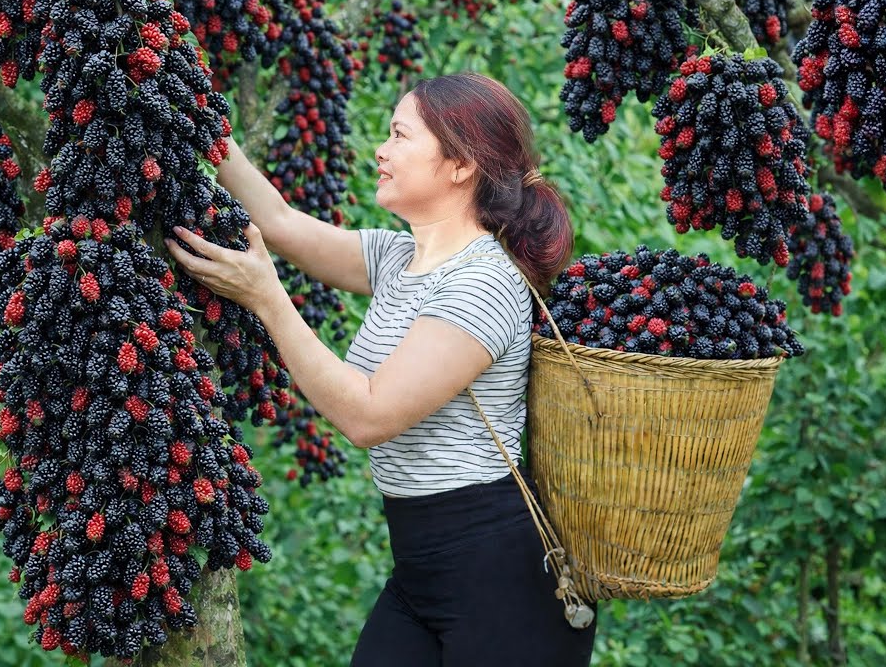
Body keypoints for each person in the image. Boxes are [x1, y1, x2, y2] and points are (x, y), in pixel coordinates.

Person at [164, 72, 597, 666]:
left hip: (500, 577)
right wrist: (191, 110)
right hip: (422, 568)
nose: (381, 150)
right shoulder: (399, 259)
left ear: (460, 165)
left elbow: (368, 415)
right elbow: (280, 222)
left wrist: (266, 297)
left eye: (399, 135)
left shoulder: (485, 282)